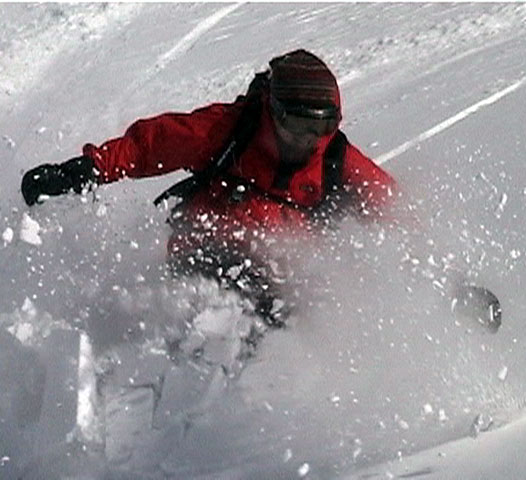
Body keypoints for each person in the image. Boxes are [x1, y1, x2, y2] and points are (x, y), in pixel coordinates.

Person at [21, 49, 397, 327]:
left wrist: (427, 276)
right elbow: (150, 145)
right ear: (273, 111)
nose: (309, 139)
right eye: (297, 126)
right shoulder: (229, 130)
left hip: (281, 284)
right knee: (235, 302)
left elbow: (396, 211)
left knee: (304, 308)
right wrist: (86, 170)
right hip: (205, 255)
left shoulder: (336, 161)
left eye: (322, 127)